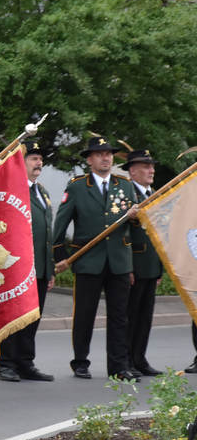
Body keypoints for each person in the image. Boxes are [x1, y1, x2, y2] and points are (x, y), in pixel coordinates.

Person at [53, 135, 139, 381]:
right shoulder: (78, 186)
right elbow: (61, 224)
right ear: (90, 160)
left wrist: (135, 216)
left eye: (109, 154)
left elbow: (135, 224)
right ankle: (80, 361)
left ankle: (118, 366)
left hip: (118, 260)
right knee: (84, 314)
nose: (106, 158)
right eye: (100, 154)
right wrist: (60, 256)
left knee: (119, 316)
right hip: (88, 259)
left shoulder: (124, 185)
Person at [0, 139, 55, 382]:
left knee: (32, 317)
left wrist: (49, 269)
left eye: (40, 159)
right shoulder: (12, 189)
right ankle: (5, 362)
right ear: (21, 163)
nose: (39, 162)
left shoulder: (43, 193)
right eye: (33, 158)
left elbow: (47, 233)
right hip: (17, 266)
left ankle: (25, 362)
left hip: (39, 267)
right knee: (12, 315)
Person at [123, 148, 162, 377]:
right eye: (146, 167)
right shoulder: (127, 194)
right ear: (132, 171)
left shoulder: (154, 194)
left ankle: (140, 358)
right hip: (134, 265)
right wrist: (127, 266)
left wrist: (160, 269)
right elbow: (123, 233)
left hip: (151, 265)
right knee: (130, 315)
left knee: (145, 316)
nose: (151, 170)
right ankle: (126, 359)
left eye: (152, 166)